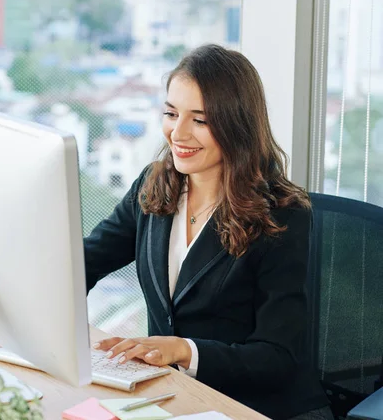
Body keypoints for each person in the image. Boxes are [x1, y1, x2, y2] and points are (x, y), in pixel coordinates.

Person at [84, 44, 332, 420]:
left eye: (199, 120)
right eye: (171, 113)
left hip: (253, 406)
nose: (177, 133)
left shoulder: (282, 215)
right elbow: (85, 261)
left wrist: (184, 350)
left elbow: (277, 357)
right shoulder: (154, 186)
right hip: (171, 397)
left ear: (237, 124)